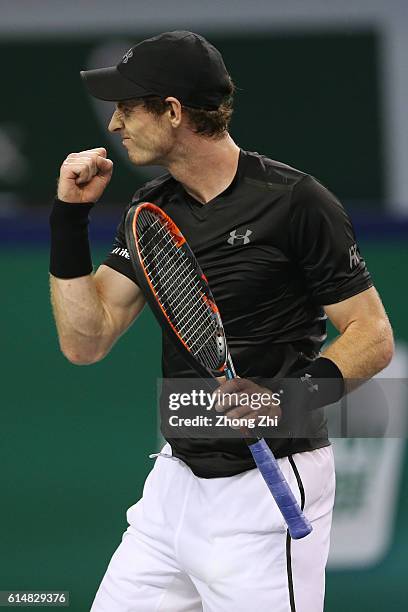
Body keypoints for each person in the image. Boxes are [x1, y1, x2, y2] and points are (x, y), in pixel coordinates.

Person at [49, 31, 394, 612]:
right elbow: (87, 340)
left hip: (268, 489)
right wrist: (68, 221)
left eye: (127, 108)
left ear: (174, 112)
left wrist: (284, 399)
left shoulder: (296, 201)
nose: (114, 125)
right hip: (173, 487)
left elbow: (372, 335)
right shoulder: (150, 210)